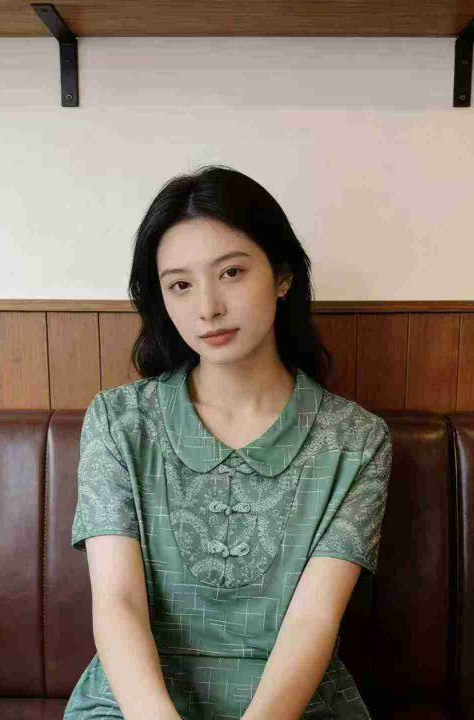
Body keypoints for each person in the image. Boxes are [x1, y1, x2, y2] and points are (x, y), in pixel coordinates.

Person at [63, 165, 393, 720]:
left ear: (282, 276)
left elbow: (313, 622)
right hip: (134, 704)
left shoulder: (357, 441)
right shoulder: (118, 421)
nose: (208, 307)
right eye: (180, 285)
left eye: (232, 272)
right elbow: (118, 603)